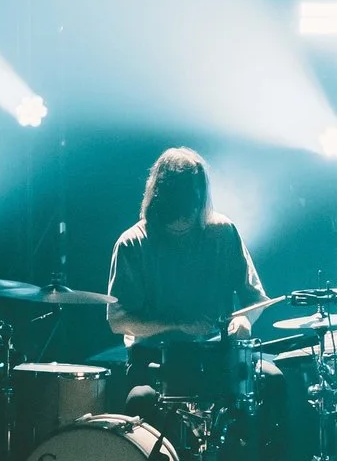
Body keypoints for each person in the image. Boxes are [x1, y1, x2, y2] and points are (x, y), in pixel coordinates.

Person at [107, 146, 270, 351]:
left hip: (217, 353)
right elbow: (119, 321)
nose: (182, 224)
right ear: (158, 201)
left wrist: (244, 319)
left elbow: (256, 299)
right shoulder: (132, 243)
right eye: (173, 217)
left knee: (273, 370)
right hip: (153, 356)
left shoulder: (223, 232)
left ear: (200, 202)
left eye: (190, 214)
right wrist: (179, 325)